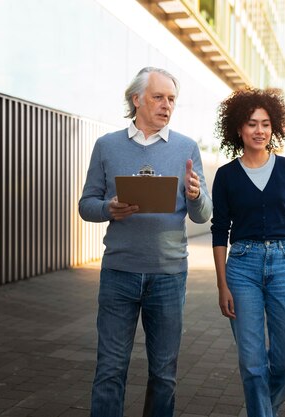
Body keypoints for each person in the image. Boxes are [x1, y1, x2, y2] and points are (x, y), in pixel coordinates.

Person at [79, 67, 212, 417]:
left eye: (171, 99)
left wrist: (196, 195)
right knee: (110, 369)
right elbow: (85, 205)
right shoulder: (107, 146)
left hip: (168, 276)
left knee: (164, 375)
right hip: (118, 273)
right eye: (158, 97)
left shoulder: (186, 147)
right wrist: (109, 208)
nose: (166, 105)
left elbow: (203, 215)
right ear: (136, 99)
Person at [210, 87, 285, 417]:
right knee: (252, 364)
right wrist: (222, 285)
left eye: (265, 124)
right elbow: (220, 232)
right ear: (238, 129)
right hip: (242, 268)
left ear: (274, 127)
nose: (259, 131)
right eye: (251, 124)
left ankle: (261, 411)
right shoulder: (226, 176)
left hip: (284, 265)